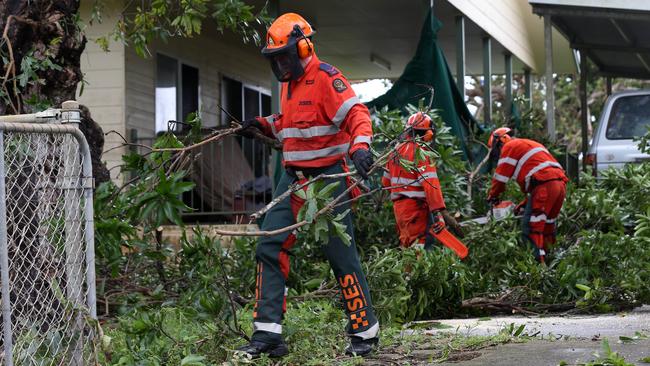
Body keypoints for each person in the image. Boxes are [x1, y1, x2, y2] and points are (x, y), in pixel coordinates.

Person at [236, 13, 379, 358]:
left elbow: (357, 114)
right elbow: (290, 124)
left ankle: (365, 333)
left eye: (284, 56)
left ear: (303, 47)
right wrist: (262, 125)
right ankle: (268, 335)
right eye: (275, 59)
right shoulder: (289, 84)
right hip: (294, 180)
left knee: (341, 256)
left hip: (328, 180)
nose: (280, 65)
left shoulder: (328, 79)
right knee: (269, 246)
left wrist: (360, 147)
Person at [486, 127, 569, 263]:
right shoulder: (528, 144)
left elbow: (500, 179)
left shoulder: (510, 146)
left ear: (501, 141)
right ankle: (551, 262)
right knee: (546, 227)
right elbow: (539, 179)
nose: (499, 155)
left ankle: (537, 270)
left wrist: (493, 197)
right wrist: (524, 204)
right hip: (559, 186)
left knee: (530, 228)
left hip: (545, 186)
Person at [382, 112, 448, 250]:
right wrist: (438, 214)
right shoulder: (421, 152)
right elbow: (431, 185)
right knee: (420, 248)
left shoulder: (395, 151)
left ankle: (408, 272)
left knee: (407, 246)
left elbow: (385, 182)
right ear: (428, 133)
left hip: (400, 210)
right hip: (417, 210)